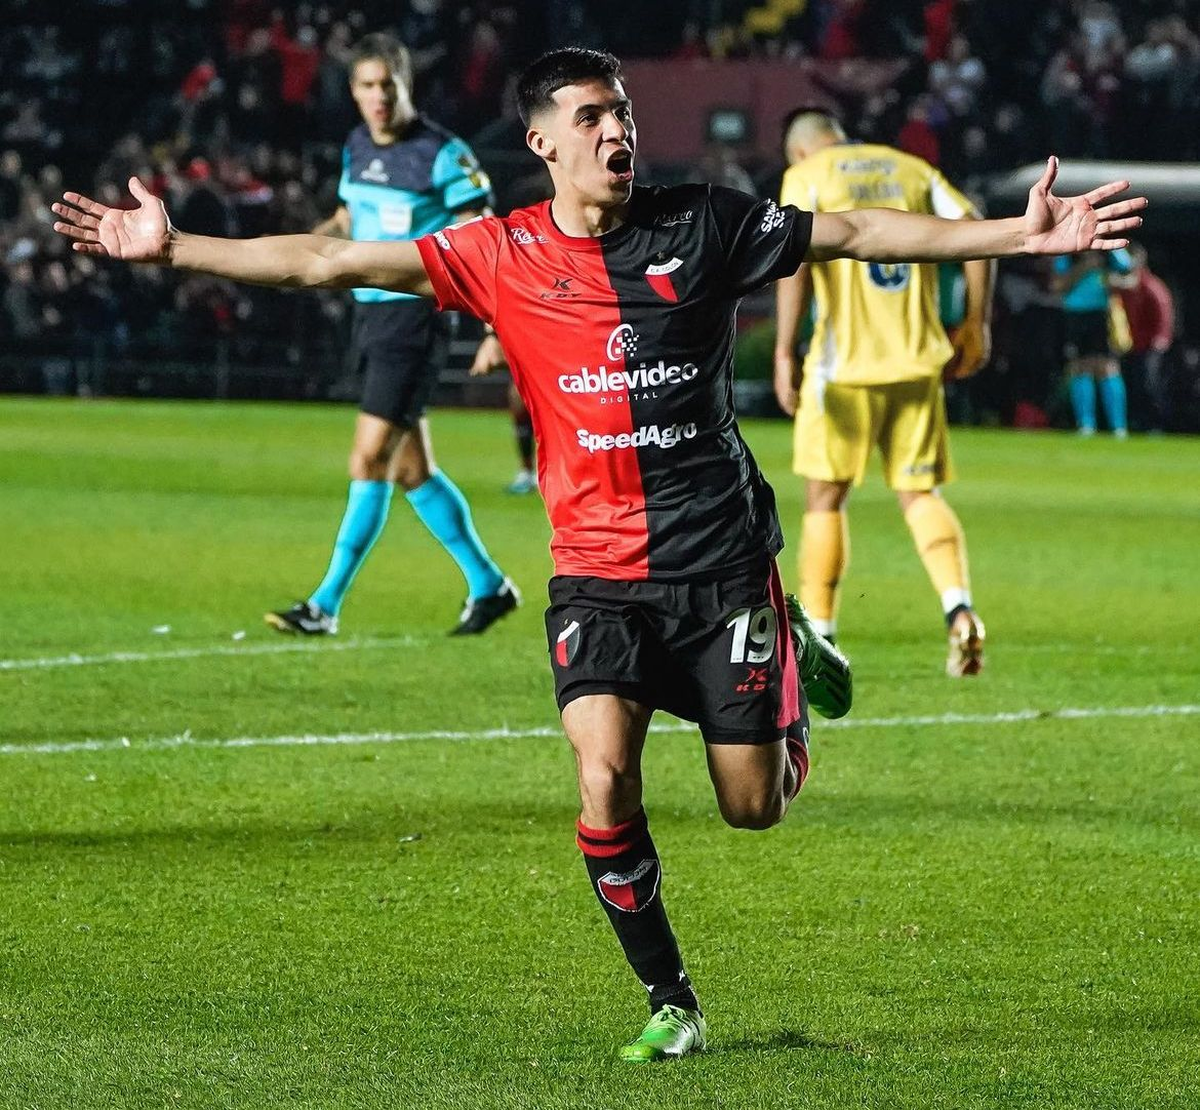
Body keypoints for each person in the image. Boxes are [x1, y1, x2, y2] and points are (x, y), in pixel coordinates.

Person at [52, 47, 1143, 1063]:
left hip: (720, 563)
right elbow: (330, 258)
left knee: (751, 806)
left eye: (622, 112)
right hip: (597, 571)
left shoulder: (705, 226)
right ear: (545, 145)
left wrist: (1018, 235)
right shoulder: (499, 252)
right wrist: (176, 247)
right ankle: (672, 1003)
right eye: (593, 117)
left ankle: (789, 678)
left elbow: (852, 233)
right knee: (602, 773)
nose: (619, 130)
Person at [265, 33, 519, 637]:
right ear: (353, 92)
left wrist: (495, 325)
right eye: (367, 86)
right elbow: (351, 220)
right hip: (369, 317)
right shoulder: (356, 145)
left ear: (407, 85)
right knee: (411, 471)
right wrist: (298, 254)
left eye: (388, 85)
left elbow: (484, 243)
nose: (378, 97)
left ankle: (324, 605)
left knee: (369, 457)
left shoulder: (442, 154)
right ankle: (488, 585)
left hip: (413, 320)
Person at [774, 109, 993, 676]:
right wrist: (975, 322)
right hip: (917, 365)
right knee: (920, 495)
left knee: (825, 499)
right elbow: (973, 227)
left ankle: (818, 638)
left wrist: (783, 349)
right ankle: (959, 609)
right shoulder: (911, 168)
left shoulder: (809, 175)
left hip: (841, 370)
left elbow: (792, 258)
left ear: (798, 151)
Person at [1053, 246, 1133, 437]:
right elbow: (1058, 285)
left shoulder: (1111, 251)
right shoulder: (1068, 254)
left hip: (1102, 314)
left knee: (1108, 367)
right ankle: (1086, 424)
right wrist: (1084, 267)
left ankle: (1118, 427)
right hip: (1075, 315)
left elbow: (1131, 278)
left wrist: (1115, 281)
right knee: (1080, 367)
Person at [1112, 243, 1175, 431]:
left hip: (1151, 346)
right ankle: (1138, 423)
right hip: (1131, 345)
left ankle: (1157, 425)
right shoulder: (1125, 287)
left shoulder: (1152, 287)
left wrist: (1159, 342)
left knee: (1149, 385)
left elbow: (1164, 317)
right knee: (1133, 386)